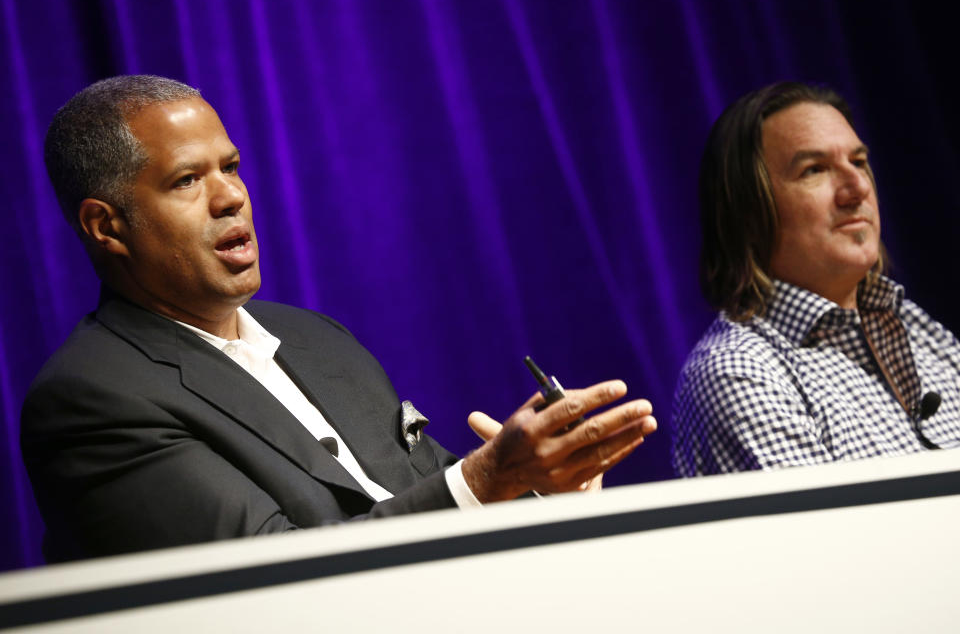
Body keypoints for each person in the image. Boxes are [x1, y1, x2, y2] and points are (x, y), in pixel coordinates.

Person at [22, 75, 657, 561]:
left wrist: (545, 488)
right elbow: (271, 580)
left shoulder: (317, 340)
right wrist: (493, 476)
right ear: (106, 226)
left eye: (232, 168)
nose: (231, 196)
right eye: (187, 180)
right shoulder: (92, 401)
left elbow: (434, 495)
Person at [672, 82, 960, 476]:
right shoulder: (741, 371)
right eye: (815, 170)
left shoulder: (918, 329)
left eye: (859, 163)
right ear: (749, 213)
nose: (857, 188)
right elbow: (839, 539)